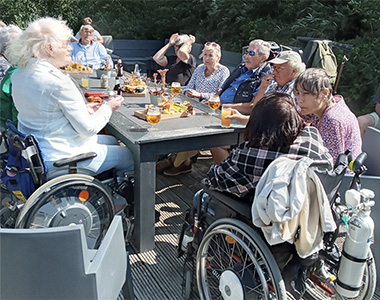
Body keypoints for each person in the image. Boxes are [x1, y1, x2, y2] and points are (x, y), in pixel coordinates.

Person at [7, 17, 133, 182]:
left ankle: (107, 187)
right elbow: (88, 129)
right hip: (61, 157)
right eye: (64, 44)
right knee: (129, 155)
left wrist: (83, 109)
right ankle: (120, 203)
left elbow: (44, 110)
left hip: (37, 150)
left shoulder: (19, 74)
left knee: (111, 140)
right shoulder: (58, 81)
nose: (70, 48)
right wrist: (108, 107)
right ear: (49, 48)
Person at [204, 92, 333, 200]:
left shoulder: (255, 152)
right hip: (311, 210)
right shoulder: (312, 136)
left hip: (270, 216)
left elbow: (217, 179)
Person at [158, 42, 230, 176]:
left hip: (209, 109)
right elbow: (189, 86)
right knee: (171, 119)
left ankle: (175, 161)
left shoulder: (223, 71)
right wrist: (183, 91)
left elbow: (220, 93)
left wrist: (200, 94)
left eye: (210, 55)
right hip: (192, 106)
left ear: (218, 57)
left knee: (187, 127)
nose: (207, 58)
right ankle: (179, 160)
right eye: (205, 55)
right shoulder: (200, 68)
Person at [294, 68, 362, 162]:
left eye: (306, 93)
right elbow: (294, 115)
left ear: (325, 93)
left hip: (342, 175)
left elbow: (330, 165)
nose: (300, 100)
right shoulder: (322, 107)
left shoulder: (332, 120)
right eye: (297, 93)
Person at [225, 50, 306, 120]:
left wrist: (244, 119)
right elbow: (257, 108)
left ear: (294, 71)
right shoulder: (274, 86)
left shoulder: (298, 90)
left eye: (279, 68)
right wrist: (262, 88)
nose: (274, 72)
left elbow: (282, 119)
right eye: (274, 68)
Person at [217, 39, 272, 105]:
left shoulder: (265, 77)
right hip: (218, 107)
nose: (247, 56)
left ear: (263, 58)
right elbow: (222, 88)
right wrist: (212, 99)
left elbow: (253, 105)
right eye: (246, 52)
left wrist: (226, 107)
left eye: (251, 53)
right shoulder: (241, 68)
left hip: (233, 113)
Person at [0, 24, 22, 128]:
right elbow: (14, 103)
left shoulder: (10, 64)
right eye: (19, 44)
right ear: (6, 46)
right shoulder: (5, 67)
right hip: (7, 127)